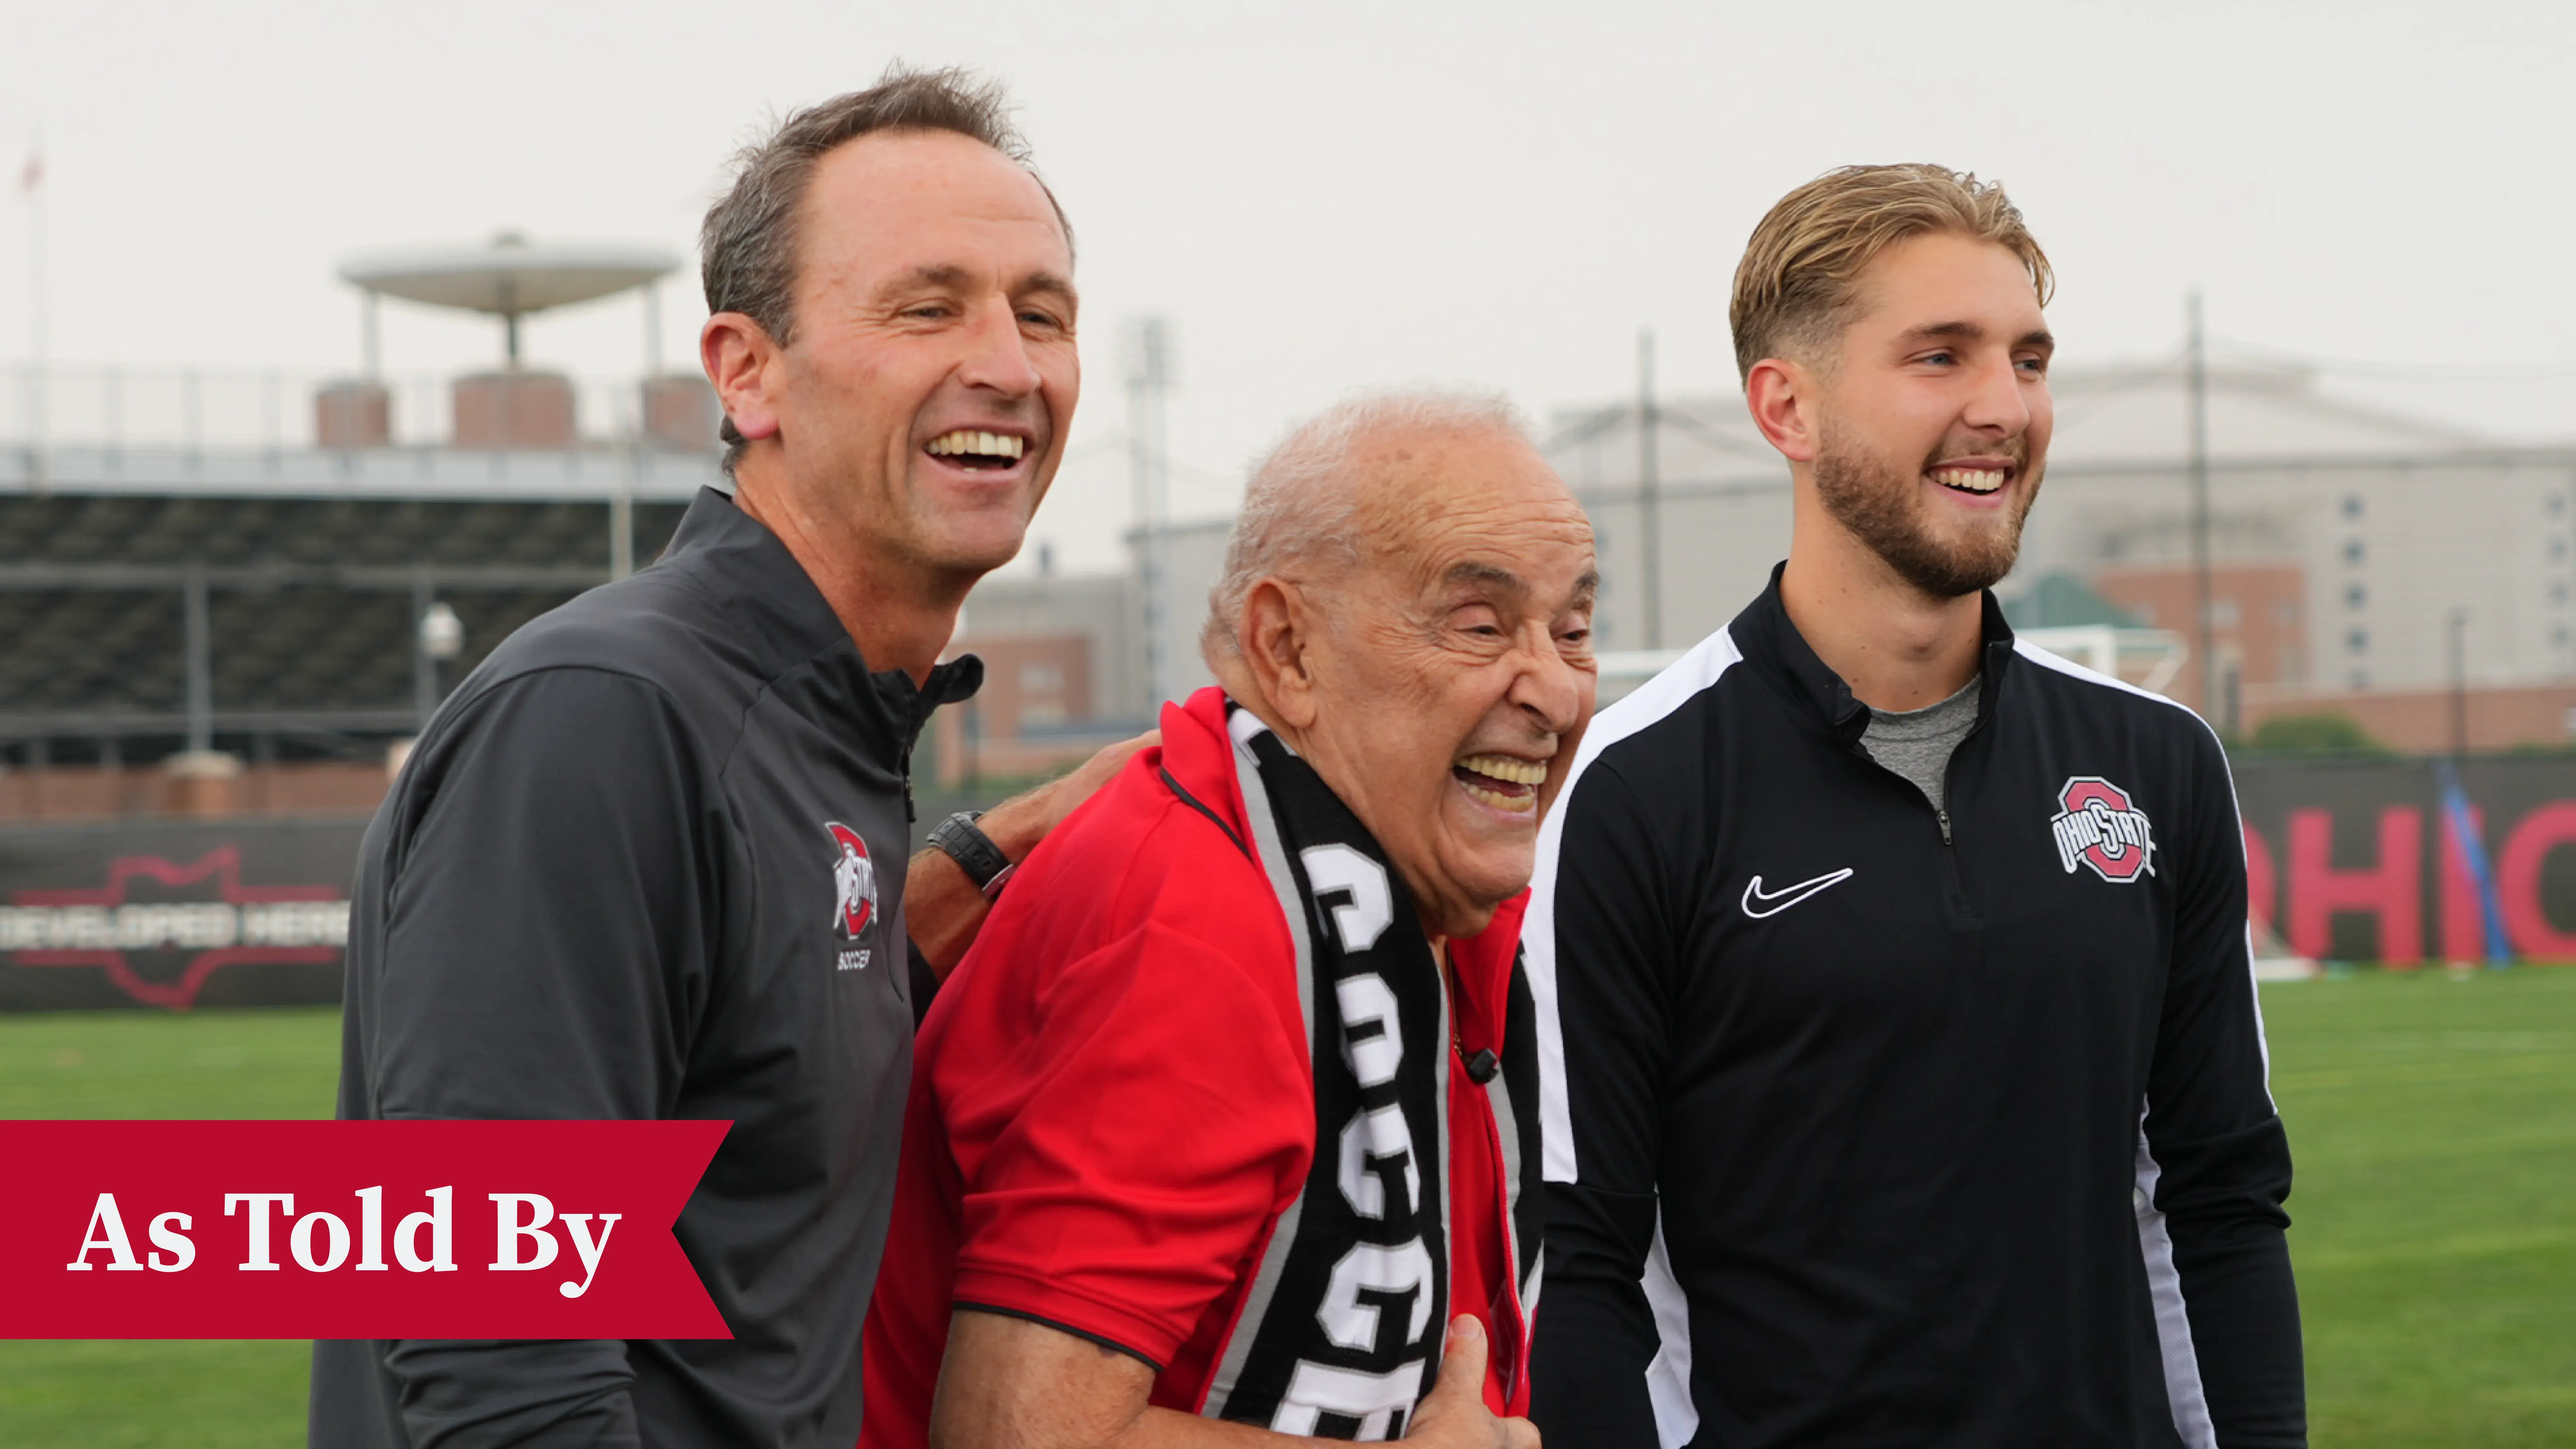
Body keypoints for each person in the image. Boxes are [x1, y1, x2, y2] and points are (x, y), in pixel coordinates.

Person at [310, 66, 1131, 1448]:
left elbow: (755, 1059)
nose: (1008, 361)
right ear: (748, 374)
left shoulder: (822, 715)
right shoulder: (603, 718)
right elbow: (500, 1365)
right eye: (928, 306)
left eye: (1039, 312)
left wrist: (1009, 845)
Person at [1529, 165, 2305, 1448]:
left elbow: (2217, 1199)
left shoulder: (2153, 760)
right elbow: (1583, 1260)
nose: (2002, 407)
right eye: (1937, 358)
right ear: (1786, 406)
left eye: (2027, 359)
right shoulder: (1631, 787)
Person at [859, 392, 1598, 1447]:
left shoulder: (1389, 861)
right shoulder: (1199, 924)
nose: (1559, 691)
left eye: (1573, 629)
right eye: (1480, 625)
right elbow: (1019, 1434)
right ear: (1287, 648)